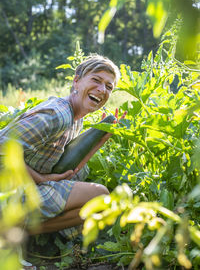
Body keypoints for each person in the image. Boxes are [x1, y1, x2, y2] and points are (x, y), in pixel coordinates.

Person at [0, 54, 126, 240]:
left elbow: (70, 169)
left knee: (86, 181)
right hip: (7, 192)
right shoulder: (58, 115)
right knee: (101, 195)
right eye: (96, 80)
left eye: (109, 86)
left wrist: (101, 136)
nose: (102, 89)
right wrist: (42, 179)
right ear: (76, 81)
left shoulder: (76, 119)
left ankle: (17, 231)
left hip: (19, 187)